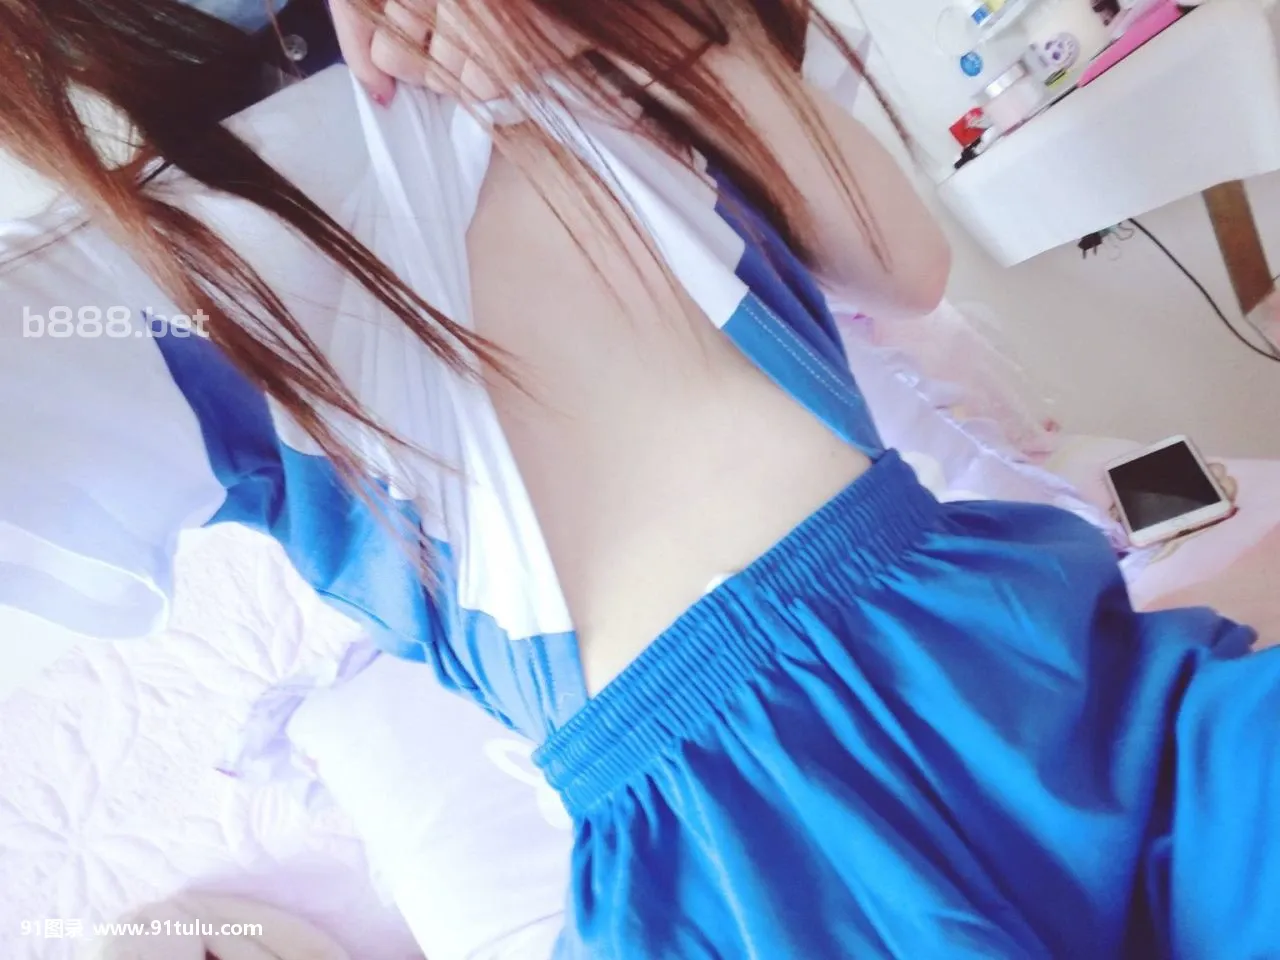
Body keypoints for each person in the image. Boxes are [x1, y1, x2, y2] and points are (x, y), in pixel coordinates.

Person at [0, 1, 1276, 957]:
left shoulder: (595, 37)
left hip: (1049, 677)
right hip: (742, 864)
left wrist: (628, 27)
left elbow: (902, 270)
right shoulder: (128, 276)